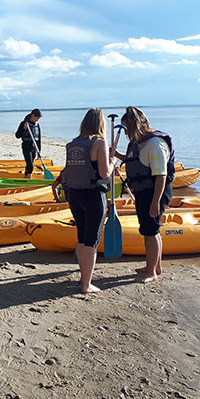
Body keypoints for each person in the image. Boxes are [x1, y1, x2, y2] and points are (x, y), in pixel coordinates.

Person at [113, 106, 175, 283]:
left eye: (127, 129)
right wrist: (116, 154)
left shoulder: (155, 144)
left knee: (150, 231)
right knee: (150, 230)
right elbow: (135, 160)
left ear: (135, 126)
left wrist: (155, 201)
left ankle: (151, 273)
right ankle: (155, 266)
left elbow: (160, 175)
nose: (126, 135)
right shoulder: (138, 142)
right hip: (144, 191)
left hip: (155, 191)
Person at [61, 108, 116, 294]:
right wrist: (113, 162)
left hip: (75, 195)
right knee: (92, 239)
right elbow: (104, 173)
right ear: (102, 124)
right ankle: (86, 285)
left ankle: (85, 275)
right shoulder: (99, 142)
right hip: (93, 195)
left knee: (82, 237)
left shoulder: (73, 143)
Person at [15, 108, 43, 178]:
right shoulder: (24, 123)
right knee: (30, 164)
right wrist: (24, 128)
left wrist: (39, 151)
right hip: (26, 146)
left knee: (30, 164)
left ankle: (26, 176)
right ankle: (30, 178)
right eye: (37, 118)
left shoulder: (37, 125)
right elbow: (17, 135)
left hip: (34, 147)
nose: (37, 120)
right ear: (33, 115)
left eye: (39, 118)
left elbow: (38, 139)